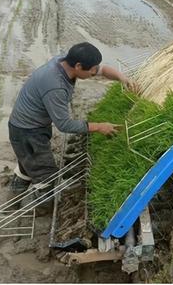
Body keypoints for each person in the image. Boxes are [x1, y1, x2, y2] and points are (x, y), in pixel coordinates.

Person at [8, 42, 133, 194]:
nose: (95, 72)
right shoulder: (56, 86)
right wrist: (99, 126)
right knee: (46, 174)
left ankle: (16, 190)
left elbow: (103, 70)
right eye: (92, 69)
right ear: (79, 66)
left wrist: (122, 78)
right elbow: (64, 125)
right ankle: (41, 208)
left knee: (30, 161)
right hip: (27, 132)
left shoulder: (66, 62)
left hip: (31, 124)